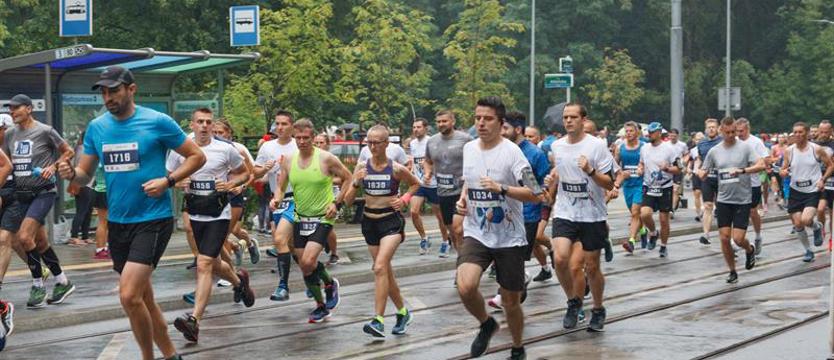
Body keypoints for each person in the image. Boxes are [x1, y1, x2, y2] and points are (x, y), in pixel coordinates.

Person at [58, 65, 203, 360]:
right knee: (144, 298)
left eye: (114, 90)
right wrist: (69, 173)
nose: (108, 97)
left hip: (152, 219)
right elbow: (85, 173)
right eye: (104, 92)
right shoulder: (98, 127)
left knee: (128, 295)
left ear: (131, 89)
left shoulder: (157, 121)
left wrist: (168, 180)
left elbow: (197, 156)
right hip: (118, 222)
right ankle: (171, 354)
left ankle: (148, 357)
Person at [454, 97, 540, 360]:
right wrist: (463, 198)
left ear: (501, 123)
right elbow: (470, 180)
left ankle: (517, 346)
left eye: (487, 118)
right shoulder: (469, 148)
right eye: (477, 117)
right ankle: (486, 323)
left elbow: (536, 193)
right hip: (477, 231)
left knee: (511, 301)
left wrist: (502, 188)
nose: (481, 123)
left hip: (509, 238)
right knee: (466, 286)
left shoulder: (513, 152)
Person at [168, 109, 255, 342]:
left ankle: (194, 321)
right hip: (196, 213)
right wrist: (178, 181)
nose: (205, 126)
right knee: (215, 263)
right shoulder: (181, 147)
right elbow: (169, 175)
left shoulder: (225, 149)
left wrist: (230, 183)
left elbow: (244, 173)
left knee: (204, 263)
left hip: (219, 214)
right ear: (192, 124)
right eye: (200, 122)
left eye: (208, 122)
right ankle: (240, 282)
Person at [269, 118, 352, 323]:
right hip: (300, 217)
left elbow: (349, 178)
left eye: (306, 138)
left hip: (322, 218)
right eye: (298, 138)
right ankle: (324, 298)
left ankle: (326, 292)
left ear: (313, 138)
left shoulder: (326, 158)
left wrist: (336, 203)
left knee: (307, 261)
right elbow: (281, 185)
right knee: (304, 264)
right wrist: (277, 198)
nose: (302, 141)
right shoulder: (288, 160)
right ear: (294, 137)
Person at [343, 125, 420, 339]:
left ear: (387, 144)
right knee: (384, 271)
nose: (372, 146)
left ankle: (378, 320)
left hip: (391, 222)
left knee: (378, 267)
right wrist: (356, 182)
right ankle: (403, 312)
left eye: (377, 142)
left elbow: (416, 184)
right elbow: (348, 202)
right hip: (370, 222)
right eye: (369, 142)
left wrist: (403, 199)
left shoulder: (395, 168)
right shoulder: (361, 166)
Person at [2, 93, 76, 308]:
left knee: (24, 237)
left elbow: (68, 151)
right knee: (40, 243)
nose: (12, 112)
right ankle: (62, 281)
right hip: (21, 194)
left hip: (43, 192)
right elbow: (6, 163)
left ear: (29, 108)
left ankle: (37, 284)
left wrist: (52, 167)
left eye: (16, 108)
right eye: (11, 109)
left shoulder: (45, 131)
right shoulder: (10, 135)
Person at [547, 102, 614, 332]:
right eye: (565, 117)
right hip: (565, 211)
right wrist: (551, 181)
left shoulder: (596, 146)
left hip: (592, 214)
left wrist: (591, 171)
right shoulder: (557, 146)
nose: (568, 121)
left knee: (591, 267)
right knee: (560, 259)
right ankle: (573, 302)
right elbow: (560, 172)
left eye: (573, 117)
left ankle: (597, 308)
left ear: (583, 120)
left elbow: (610, 182)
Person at [698, 117, 764, 283]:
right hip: (724, 199)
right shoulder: (715, 151)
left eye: (733, 132)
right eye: (727, 132)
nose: (730, 135)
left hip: (742, 199)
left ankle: (749, 250)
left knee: (738, 239)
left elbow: (761, 165)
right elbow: (704, 169)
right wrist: (702, 173)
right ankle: (732, 271)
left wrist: (743, 170)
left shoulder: (745, 147)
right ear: (721, 131)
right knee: (724, 238)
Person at [253, 111, 296, 301]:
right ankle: (320, 279)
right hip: (276, 200)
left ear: (292, 126)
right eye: (277, 124)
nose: (280, 128)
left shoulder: (298, 145)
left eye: (284, 124)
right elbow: (256, 172)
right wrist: (265, 169)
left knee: (279, 240)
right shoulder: (267, 147)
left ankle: (283, 286)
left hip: (297, 200)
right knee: (295, 251)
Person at [779, 122, 834, 262]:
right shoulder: (789, 151)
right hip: (795, 190)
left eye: (800, 132)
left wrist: (823, 179)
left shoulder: (816, 149)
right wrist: (783, 172)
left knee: (805, 220)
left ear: (807, 133)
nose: (797, 135)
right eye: (795, 132)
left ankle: (816, 226)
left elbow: (830, 166)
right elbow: (783, 169)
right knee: (798, 224)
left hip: (812, 190)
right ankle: (808, 251)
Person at [424, 110, 472, 257]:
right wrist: (427, 172)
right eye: (438, 122)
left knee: (459, 229)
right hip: (443, 192)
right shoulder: (432, 141)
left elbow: (477, 159)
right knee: (453, 232)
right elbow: (427, 160)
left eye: (444, 121)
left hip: (462, 192)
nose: (441, 124)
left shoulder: (466, 139)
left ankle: (468, 262)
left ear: (453, 121)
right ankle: (462, 260)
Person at [212, 119, 259, 266]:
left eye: (221, 132)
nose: (218, 135)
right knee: (231, 232)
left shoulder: (238, 149)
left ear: (229, 134)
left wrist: (242, 186)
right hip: (214, 196)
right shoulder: (209, 149)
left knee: (223, 234)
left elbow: (252, 173)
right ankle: (242, 245)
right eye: (215, 132)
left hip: (234, 195)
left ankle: (228, 271)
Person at [638, 122, 681, 258]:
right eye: (648, 133)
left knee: (664, 219)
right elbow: (641, 163)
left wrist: (667, 168)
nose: (648, 135)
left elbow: (679, 168)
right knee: (644, 214)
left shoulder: (669, 149)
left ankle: (663, 245)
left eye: (651, 133)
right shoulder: (644, 148)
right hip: (649, 185)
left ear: (658, 133)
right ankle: (653, 232)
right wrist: (640, 169)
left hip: (665, 187)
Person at [408, 118, 449, 255]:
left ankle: (445, 241)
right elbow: (414, 160)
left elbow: (441, 161)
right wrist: (411, 171)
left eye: (418, 127)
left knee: (440, 216)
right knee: (413, 211)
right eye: (414, 127)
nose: (416, 130)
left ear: (425, 128)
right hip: (419, 183)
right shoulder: (413, 143)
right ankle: (424, 238)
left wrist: (429, 168)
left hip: (434, 184)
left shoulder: (432, 142)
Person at [736, 118, 771, 256]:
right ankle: (737, 240)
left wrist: (754, 164)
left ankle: (757, 236)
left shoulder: (756, 142)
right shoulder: (734, 142)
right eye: (737, 131)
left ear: (748, 129)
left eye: (741, 131)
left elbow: (766, 160)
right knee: (737, 212)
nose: (739, 134)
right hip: (736, 183)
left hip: (753, 183)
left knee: (752, 212)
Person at [612, 121, 646, 253]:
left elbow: (650, 162)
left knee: (636, 212)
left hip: (641, 184)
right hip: (628, 185)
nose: (629, 134)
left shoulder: (644, 146)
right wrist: (620, 173)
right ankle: (643, 230)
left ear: (637, 132)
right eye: (627, 131)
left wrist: (642, 168)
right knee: (634, 213)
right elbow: (615, 165)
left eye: (631, 131)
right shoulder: (621, 147)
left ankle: (631, 241)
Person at [313, 133, 341, 264]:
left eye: (321, 143)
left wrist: (327, 180)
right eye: (316, 143)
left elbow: (342, 179)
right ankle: (323, 242)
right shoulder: (310, 159)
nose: (318, 145)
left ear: (328, 144)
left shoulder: (332, 159)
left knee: (328, 227)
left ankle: (334, 253)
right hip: (314, 196)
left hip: (331, 197)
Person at [695, 118, 723, 245]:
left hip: (722, 179)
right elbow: (700, 159)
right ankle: (705, 234)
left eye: (713, 127)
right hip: (707, 178)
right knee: (707, 206)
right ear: (705, 129)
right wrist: (697, 169)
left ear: (718, 128)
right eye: (709, 127)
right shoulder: (701, 143)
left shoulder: (723, 141)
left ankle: (725, 233)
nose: (711, 129)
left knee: (722, 207)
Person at [69, 132, 95, 246]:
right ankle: (74, 236)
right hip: (82, 184)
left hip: (89, 184)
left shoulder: (83, 148)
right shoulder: (82, 149)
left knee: (88, 211)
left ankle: (85, 236)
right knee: (81, 211)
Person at [813, 120, 834, 241]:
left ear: (831, 131)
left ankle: (832, 237)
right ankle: (821, 229)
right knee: (820, 209)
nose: (823, 134)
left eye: (826, 132)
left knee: (832, 213)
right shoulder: (814, 145)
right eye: (821, 131)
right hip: (820, 182)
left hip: (832, 181)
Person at [668, 129, 689, 216]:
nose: (672, 138)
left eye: (674, 136)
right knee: (668, 189)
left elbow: (687, 155)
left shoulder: (682, 145)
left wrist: (684, 164)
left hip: (678, 167)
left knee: (675, 189)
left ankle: (672, 210)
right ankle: (670, 205)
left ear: (677, 136)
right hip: (668, 168)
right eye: (671, 136)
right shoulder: (665, 145)